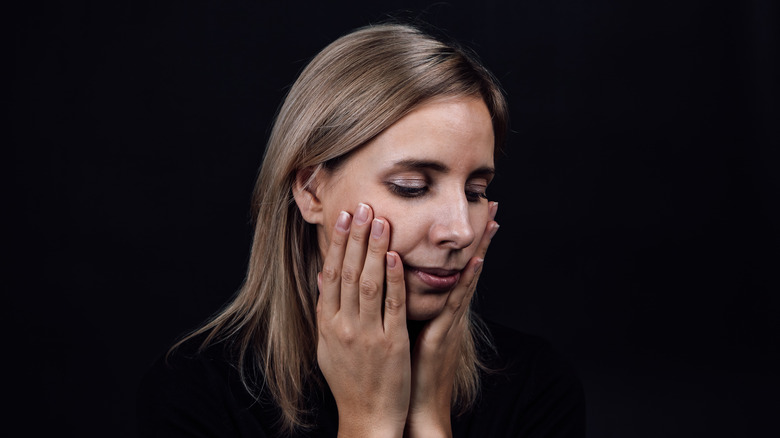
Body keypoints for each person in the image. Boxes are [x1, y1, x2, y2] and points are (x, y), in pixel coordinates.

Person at [137, 22, 585, 437]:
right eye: (411, 187)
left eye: (474, 191)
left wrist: (429, 418)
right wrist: (369, 423)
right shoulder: (194, 393)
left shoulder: (534, 385)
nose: (460, 231)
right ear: (311, 190)